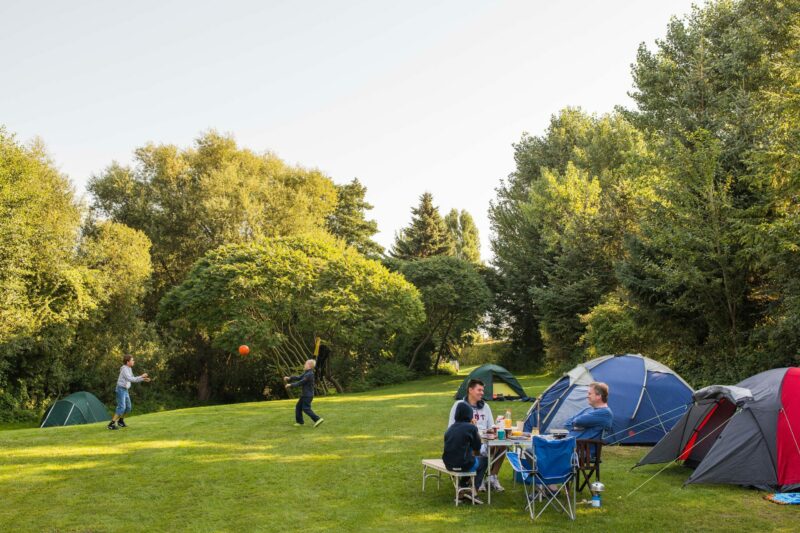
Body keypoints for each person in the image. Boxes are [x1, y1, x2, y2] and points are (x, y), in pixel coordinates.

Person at [448, 379, 506, 492]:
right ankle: (475, 481)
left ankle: (492, 477)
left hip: (485, 439)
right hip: (468, 442)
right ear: (470, 390)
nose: (482, 393)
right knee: (475, 446)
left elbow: (491, 426)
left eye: (482, 390)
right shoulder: (459, 405)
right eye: (479, 390)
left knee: (502, 445)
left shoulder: (485, 407)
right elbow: (451, 426)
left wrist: (492, 430)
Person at [443, 401, 487, 505]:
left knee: (469, 460)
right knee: (483, 460)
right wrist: (474, 428)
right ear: (469, 414)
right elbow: (478, 447)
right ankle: (473, 491)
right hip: (463, 464)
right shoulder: (471, 428)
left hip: (449, 464)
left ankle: (463, 488)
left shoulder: (450, 429)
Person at [107, 354, 150, 430]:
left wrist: (143, 379)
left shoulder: (129, 369)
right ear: (127, 362)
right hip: (120, 389)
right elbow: (131, 379)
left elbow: (133, 378)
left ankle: (120, 421)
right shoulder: (124, 369)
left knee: (128, 407)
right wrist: (142, 376)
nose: (134, 361)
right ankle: (111, 424)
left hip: (125, 390)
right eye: (132, 360)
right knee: (122, 407)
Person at [284, 359, 324, 428]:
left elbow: (301, 382)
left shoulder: (309, 374)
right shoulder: (307, 373)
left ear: (309, 365)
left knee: (306, 408)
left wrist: (291, 385)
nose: (304, 365)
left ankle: (317, 419)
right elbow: (299, 377)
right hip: (305, 395)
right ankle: (300, 422)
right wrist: (289, 378)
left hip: (307, 395)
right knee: (298, 407)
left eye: (305, 364)